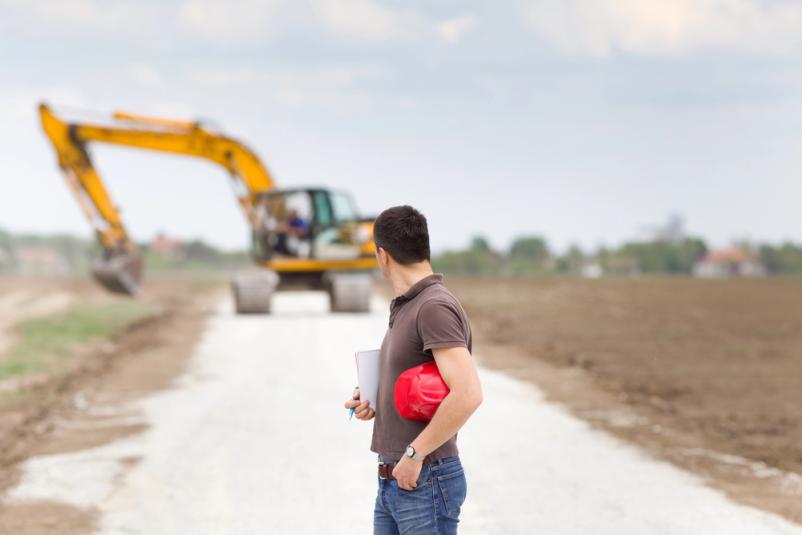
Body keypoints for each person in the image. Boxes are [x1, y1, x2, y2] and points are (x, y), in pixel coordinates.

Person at [344, 205, 483, 534]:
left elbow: (468, 394)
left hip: (424, 477)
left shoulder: (433, 307)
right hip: (398, 478)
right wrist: (375, 399)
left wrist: (414, 455)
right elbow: (425, 387)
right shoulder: (409, 304)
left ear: (383, 255)